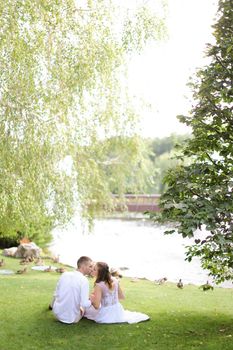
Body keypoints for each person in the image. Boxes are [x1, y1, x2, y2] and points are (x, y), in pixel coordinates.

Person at [84, 262, 150, 324]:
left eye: (95, 269)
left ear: (100, 273)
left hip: (105, 314)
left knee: (86, 309)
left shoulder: (99, 285)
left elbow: (96, 306)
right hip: (118, 310)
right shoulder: (115, 280)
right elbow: (121, 296)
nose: (92, 270)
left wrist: (91, 298)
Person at [50, 256, 93, 324]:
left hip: (56, 314)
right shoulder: (84, 280)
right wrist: (91, 300)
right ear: (83, 266)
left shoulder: (64, 274)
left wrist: (51, 305)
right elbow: (84, 303)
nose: (92, 269)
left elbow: (56, 293)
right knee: (85, 305)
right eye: (90, 266)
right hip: (72, 318)